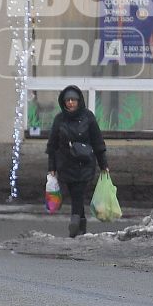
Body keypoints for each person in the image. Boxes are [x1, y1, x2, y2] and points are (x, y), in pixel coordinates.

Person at [48, 85, 108, 238]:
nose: (70, 103)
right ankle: (81, 224)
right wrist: (52, 167)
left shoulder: (88, 117)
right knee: (74, 194)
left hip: (85, 163)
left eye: (73, 100)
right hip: (65, 164)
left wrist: (104, 165)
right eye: (67, 100)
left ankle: (74, 224)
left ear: (79, 101)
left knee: (78, 193)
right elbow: (52, 145)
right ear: (63, 102)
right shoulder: (59, 119)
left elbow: (98, 142)